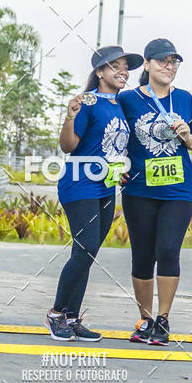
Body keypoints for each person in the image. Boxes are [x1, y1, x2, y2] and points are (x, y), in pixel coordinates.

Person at [45, 45, 143, 342]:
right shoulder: (88, 101)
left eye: (125, 66)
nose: (123, 71)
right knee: (85, 247)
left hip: (105, 186)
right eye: (115, 66)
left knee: (88, 254)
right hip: (79, 183)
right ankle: (56, 314)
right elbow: (68, 146)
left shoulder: (119, 105)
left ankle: (73, 318)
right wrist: (69, 116)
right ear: (99, 72)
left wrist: (120, 168)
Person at [118, 38, 192, 346]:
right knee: (142, 255)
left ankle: (164, 319)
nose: (169, 67)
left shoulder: (183, 98)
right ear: (147, 63)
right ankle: (145, 318)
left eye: (174, 62)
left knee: (168, 250)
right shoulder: (127, 100)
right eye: (163, 62)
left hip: (178, 189)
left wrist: (188, 136)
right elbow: (114, 134)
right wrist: (115, 166)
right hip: (139, 188)